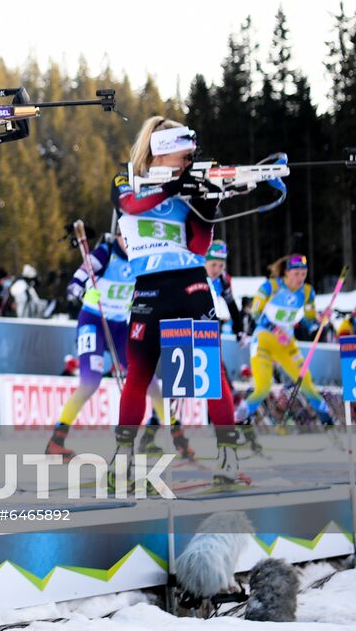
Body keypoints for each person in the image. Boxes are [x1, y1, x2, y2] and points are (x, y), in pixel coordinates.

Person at [112, 117, 242, 486]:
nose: (188, 163)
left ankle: (228, 456)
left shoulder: (191, 183)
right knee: (138, 375)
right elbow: (130, 205)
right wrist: (173, 186)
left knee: (211, 374)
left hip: (190, 284)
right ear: (161, 151)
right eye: (183, 156)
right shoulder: (126, 177)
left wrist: (207, 204)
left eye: (190, 157)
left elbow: (199, 246)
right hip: (149, 288)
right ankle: (123, 457)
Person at [46, 228, 176, 460]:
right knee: (90, 382)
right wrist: (81, 292)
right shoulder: (104, 253)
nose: (129, 242)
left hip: (119, 327)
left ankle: (170, 438)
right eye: (124, 237)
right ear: (117, 236)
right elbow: (77, 280)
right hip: (93, 321)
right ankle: (57, 441)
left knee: (150, 382)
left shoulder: (142, 257)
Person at [237, 255, 333, 447]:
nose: (300, 278)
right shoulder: (271, 287)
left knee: (306, 382)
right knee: (262, 388)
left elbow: (309, 321)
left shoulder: (307, 292)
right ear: (286, 273)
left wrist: (321, 318)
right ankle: (237, 421)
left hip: (287, 345)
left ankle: (329, 423)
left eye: (303, 274)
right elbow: (255, 313)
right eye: (296, 273)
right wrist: (274, 328)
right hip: (263, 341)